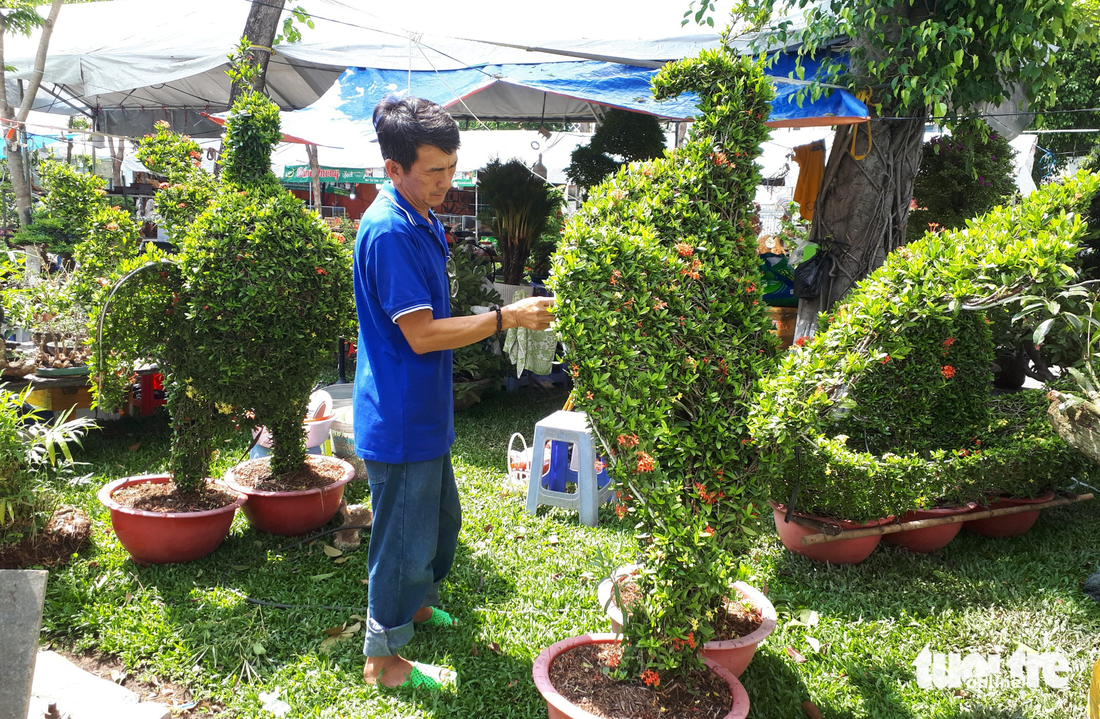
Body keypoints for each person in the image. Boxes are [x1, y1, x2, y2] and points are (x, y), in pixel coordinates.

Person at [353, 96, 554, 689]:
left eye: (451, 165)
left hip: (426, 407)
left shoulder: (424, 219)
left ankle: (416, 607)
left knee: (439, 524)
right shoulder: (390, 230)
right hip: (400, 415)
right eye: (433, 170)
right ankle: (382, 660)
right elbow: (419, 335)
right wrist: (505, 318)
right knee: (400, 541)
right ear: (394, 168)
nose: (447, 181)